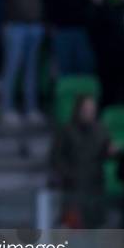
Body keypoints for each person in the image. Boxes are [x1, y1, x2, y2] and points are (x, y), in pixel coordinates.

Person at [50, 95, 114, 228]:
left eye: (92, 110)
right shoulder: (66, 131)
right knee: (73, 231)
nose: (89, 113)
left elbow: (107, 153)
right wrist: (69, 175)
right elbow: (56, 158)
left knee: (95, 230)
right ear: (78, 110)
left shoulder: (101, 131)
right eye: (86, 109)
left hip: (95, 189)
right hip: (73, 190)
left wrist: (111, 152)